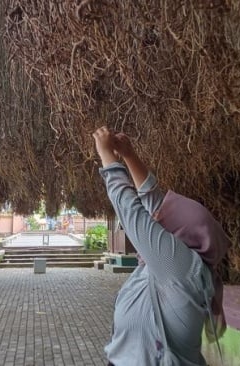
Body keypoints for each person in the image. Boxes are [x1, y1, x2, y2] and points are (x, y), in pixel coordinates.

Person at [92, 126, 230, 366]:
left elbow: (132, 212)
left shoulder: (181, 268)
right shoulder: (182, 261)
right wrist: (129, 155)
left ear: (179, 235)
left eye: (163, 219)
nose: (156, 218)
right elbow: (152, 200)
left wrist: (107, 158)